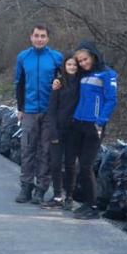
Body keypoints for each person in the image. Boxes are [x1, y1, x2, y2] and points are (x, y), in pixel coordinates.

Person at [63, 40, 118, 219]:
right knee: (75, 164)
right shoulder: (84, 74)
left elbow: (111, 100)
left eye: (85, 59)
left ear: (93, 56)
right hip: (77, 123)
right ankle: (83, 202)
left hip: (94, 126)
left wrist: (100, 121)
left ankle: (93, 207)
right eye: (80, 61)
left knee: (86, 166)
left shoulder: (107, 74)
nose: (82, 63)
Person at [13, 25, 63, 204]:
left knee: (46, 150)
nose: (39, 39)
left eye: (43, 36)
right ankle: (26, 187)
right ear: (31, 37)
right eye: (36, 35)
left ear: (48, 38)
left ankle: (41, 188)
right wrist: (20, 108)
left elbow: (65, 81)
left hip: (50, 112)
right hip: (29, 110)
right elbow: (19, 83)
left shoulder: (56, 57)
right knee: (27, 149)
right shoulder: (23, 57)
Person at [40, 53, 82, 209]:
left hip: (74, 130)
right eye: (69, 64)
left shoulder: (82, 84)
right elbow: (51, 109)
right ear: (64, 66)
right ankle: (57, 195)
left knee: (70, 164)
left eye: (75, 65)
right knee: (56, 163)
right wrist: (53, 130)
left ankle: (69, 197)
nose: (72, 67)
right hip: (57, 129)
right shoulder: (58, 84)